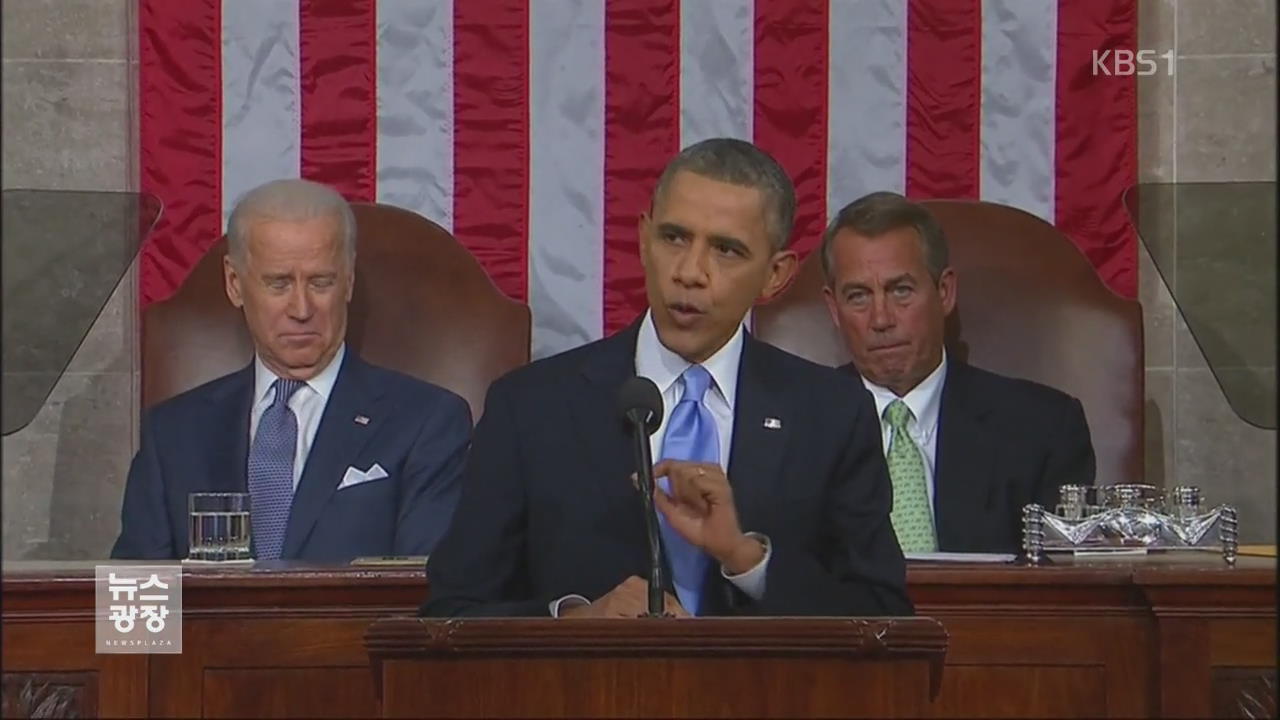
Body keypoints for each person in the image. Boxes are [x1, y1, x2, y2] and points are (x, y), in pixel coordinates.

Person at [422, 139, 911, 618]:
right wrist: (574, 622)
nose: (690, 272)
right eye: (674, 238)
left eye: (726, 250)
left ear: (775, 274)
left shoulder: (830, 413)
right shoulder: (530, 407)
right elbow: (450, 611)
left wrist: (747, 562)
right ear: (643, 237)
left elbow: (883, 614)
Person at [111, 179, 471, 562]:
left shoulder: (427, 421)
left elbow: (423, 598)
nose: (301, 309)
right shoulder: (173, 433)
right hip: (208, 625)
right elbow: (135, 607)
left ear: (347, 281)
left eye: (320, 282)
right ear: (235, 283)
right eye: (279, 283)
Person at [820, 191, 1095, 555]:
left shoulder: (1043, 429)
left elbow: (1069, 588)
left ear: (945, 292)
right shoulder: (796, 425)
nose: (881, 319)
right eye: (858, 296)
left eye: (901, 290)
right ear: (834, 309)